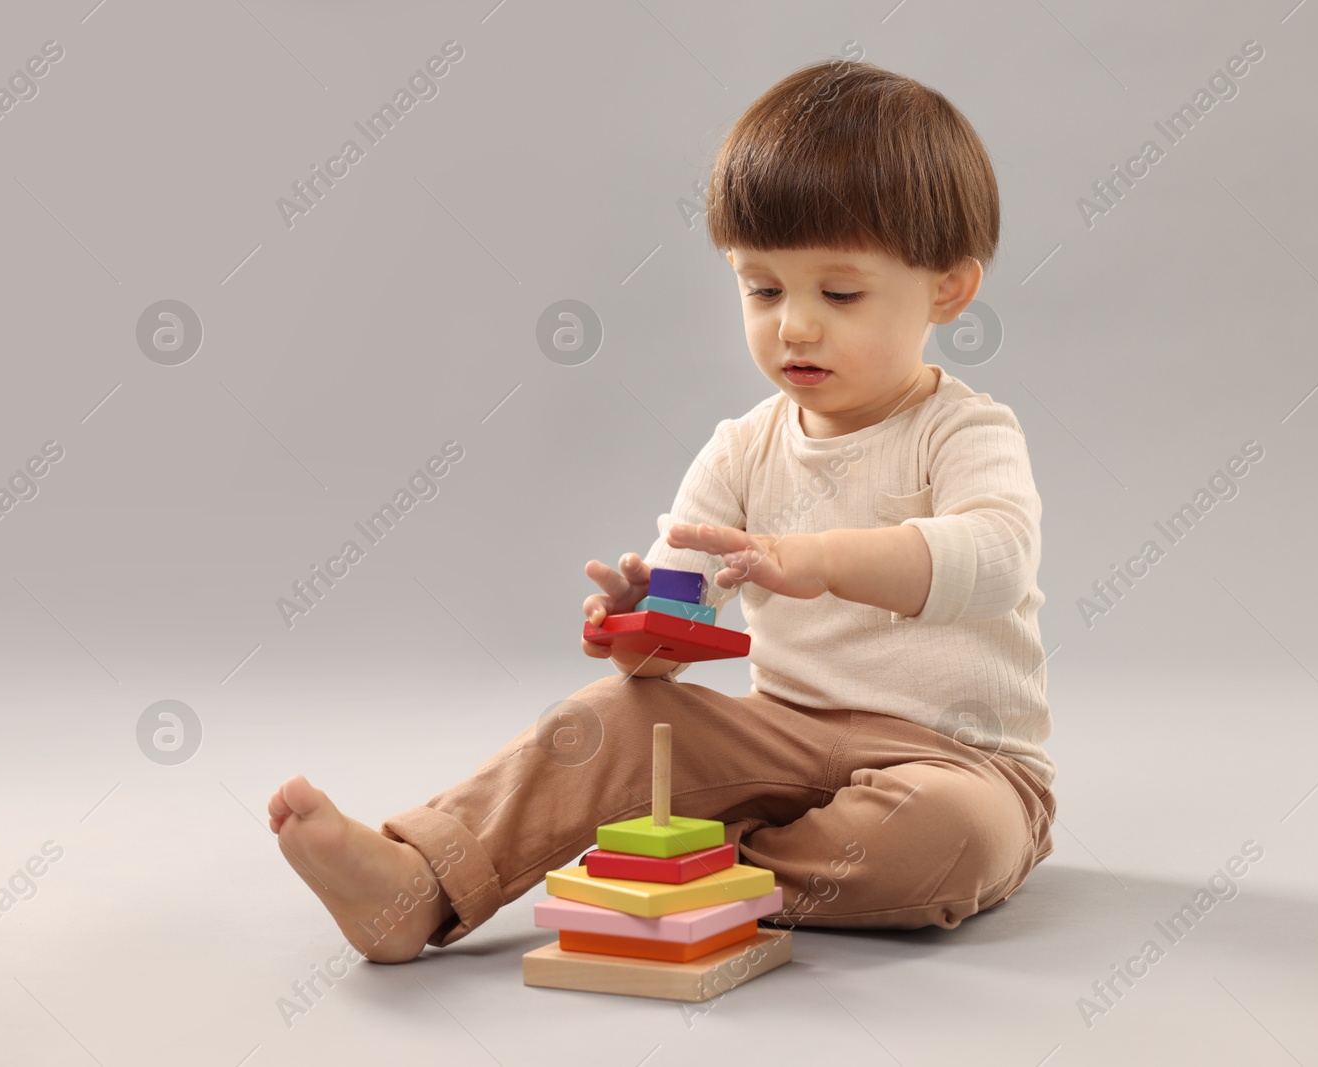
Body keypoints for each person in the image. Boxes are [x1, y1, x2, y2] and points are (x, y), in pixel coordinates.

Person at [267, 57, 1057, 963]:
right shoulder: (741, 449)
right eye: (763, 288)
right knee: (607, 717)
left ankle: (684, 870)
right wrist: (640, 626)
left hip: (957, 761)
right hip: (781, 741)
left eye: (839, 293)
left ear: (948, 289)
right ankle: (420, 881)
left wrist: (823, 560)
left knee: (945, 836)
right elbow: (679, 625)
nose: (795, 324)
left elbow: (997, 555)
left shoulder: (963, 431)